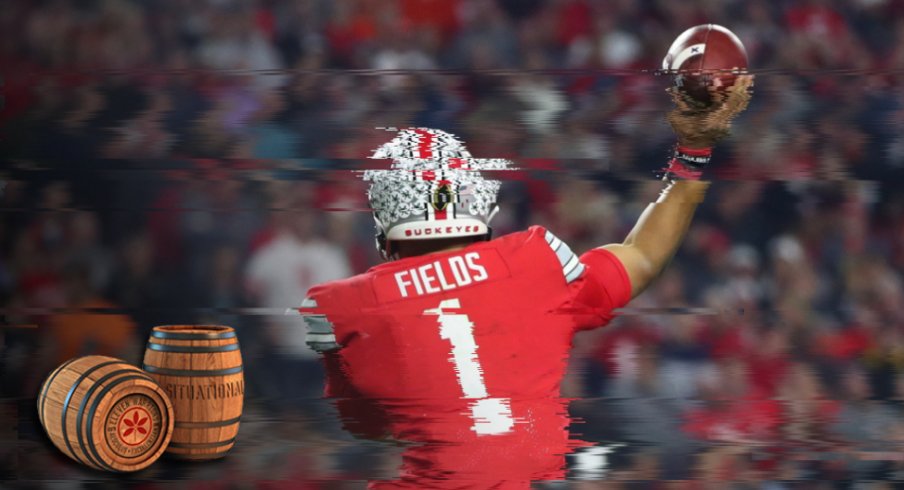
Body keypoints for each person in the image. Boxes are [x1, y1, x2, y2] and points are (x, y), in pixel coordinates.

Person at [295, 77, 753, 488]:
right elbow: (641, 255)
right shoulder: (533, 260)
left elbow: (369, 426)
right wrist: (693, 152)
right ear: (472, 199)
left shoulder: (342, 307)